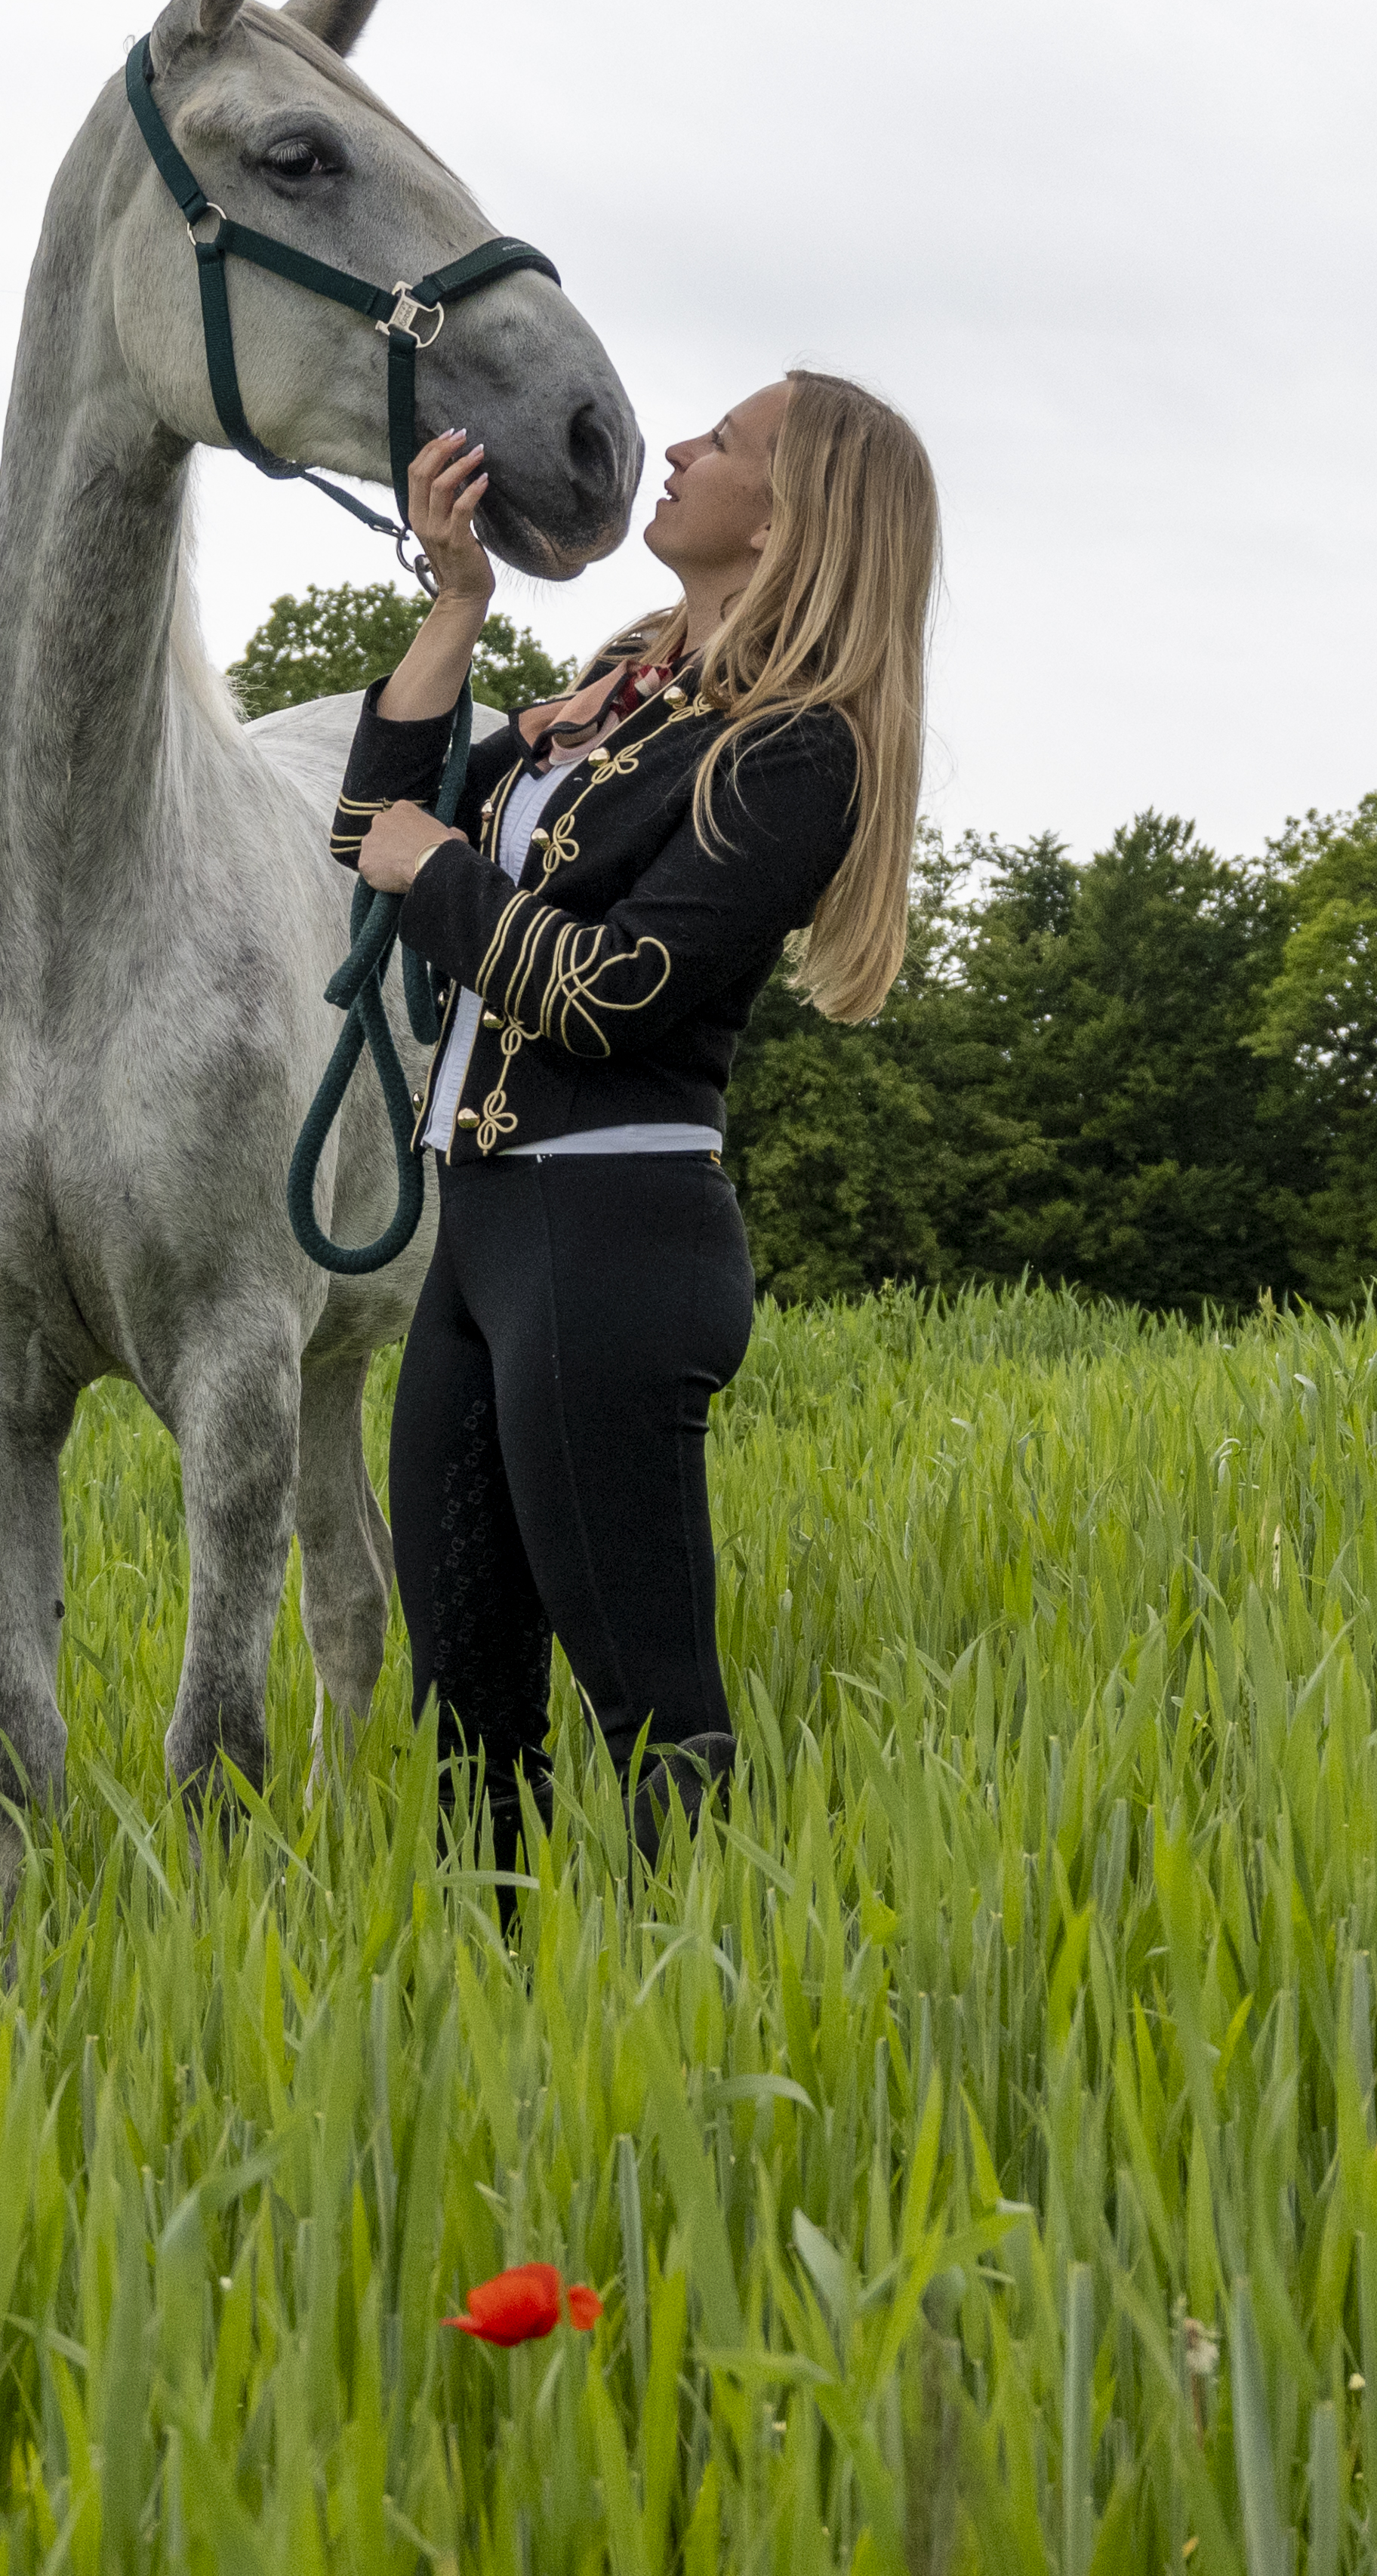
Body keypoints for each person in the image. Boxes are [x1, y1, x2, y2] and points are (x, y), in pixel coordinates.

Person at [331, 369, 937, 1867]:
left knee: (654, 1710)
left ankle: (712, 1974)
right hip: (483, 1225)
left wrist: (440, 870)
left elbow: (609, 992)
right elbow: (371, 827)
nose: (675, 447)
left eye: (722, 441)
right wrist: (456, 606)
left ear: (789, 515)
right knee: (468, 1711)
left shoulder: (800, 750)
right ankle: (504, 1988)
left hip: (612, 1233)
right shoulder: (627, 685)